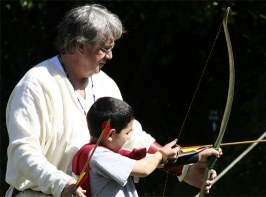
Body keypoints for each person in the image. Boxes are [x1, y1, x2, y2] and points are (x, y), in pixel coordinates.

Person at [5, 4, 221, 197]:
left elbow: (131, 137)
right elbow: (22, 152)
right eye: (104, 48)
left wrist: (183, 166)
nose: (110, 56)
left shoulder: (105, 83)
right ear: (80, 47)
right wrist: (61, 184)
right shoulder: (36, 85)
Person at [73, 97, 181, 196]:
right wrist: (161, 154)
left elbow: (144, 161)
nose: (129, 137)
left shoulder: (93, 153)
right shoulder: (98, 156)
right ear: (110, 134)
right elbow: (144, 169)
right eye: (127, 133)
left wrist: (164, 157)